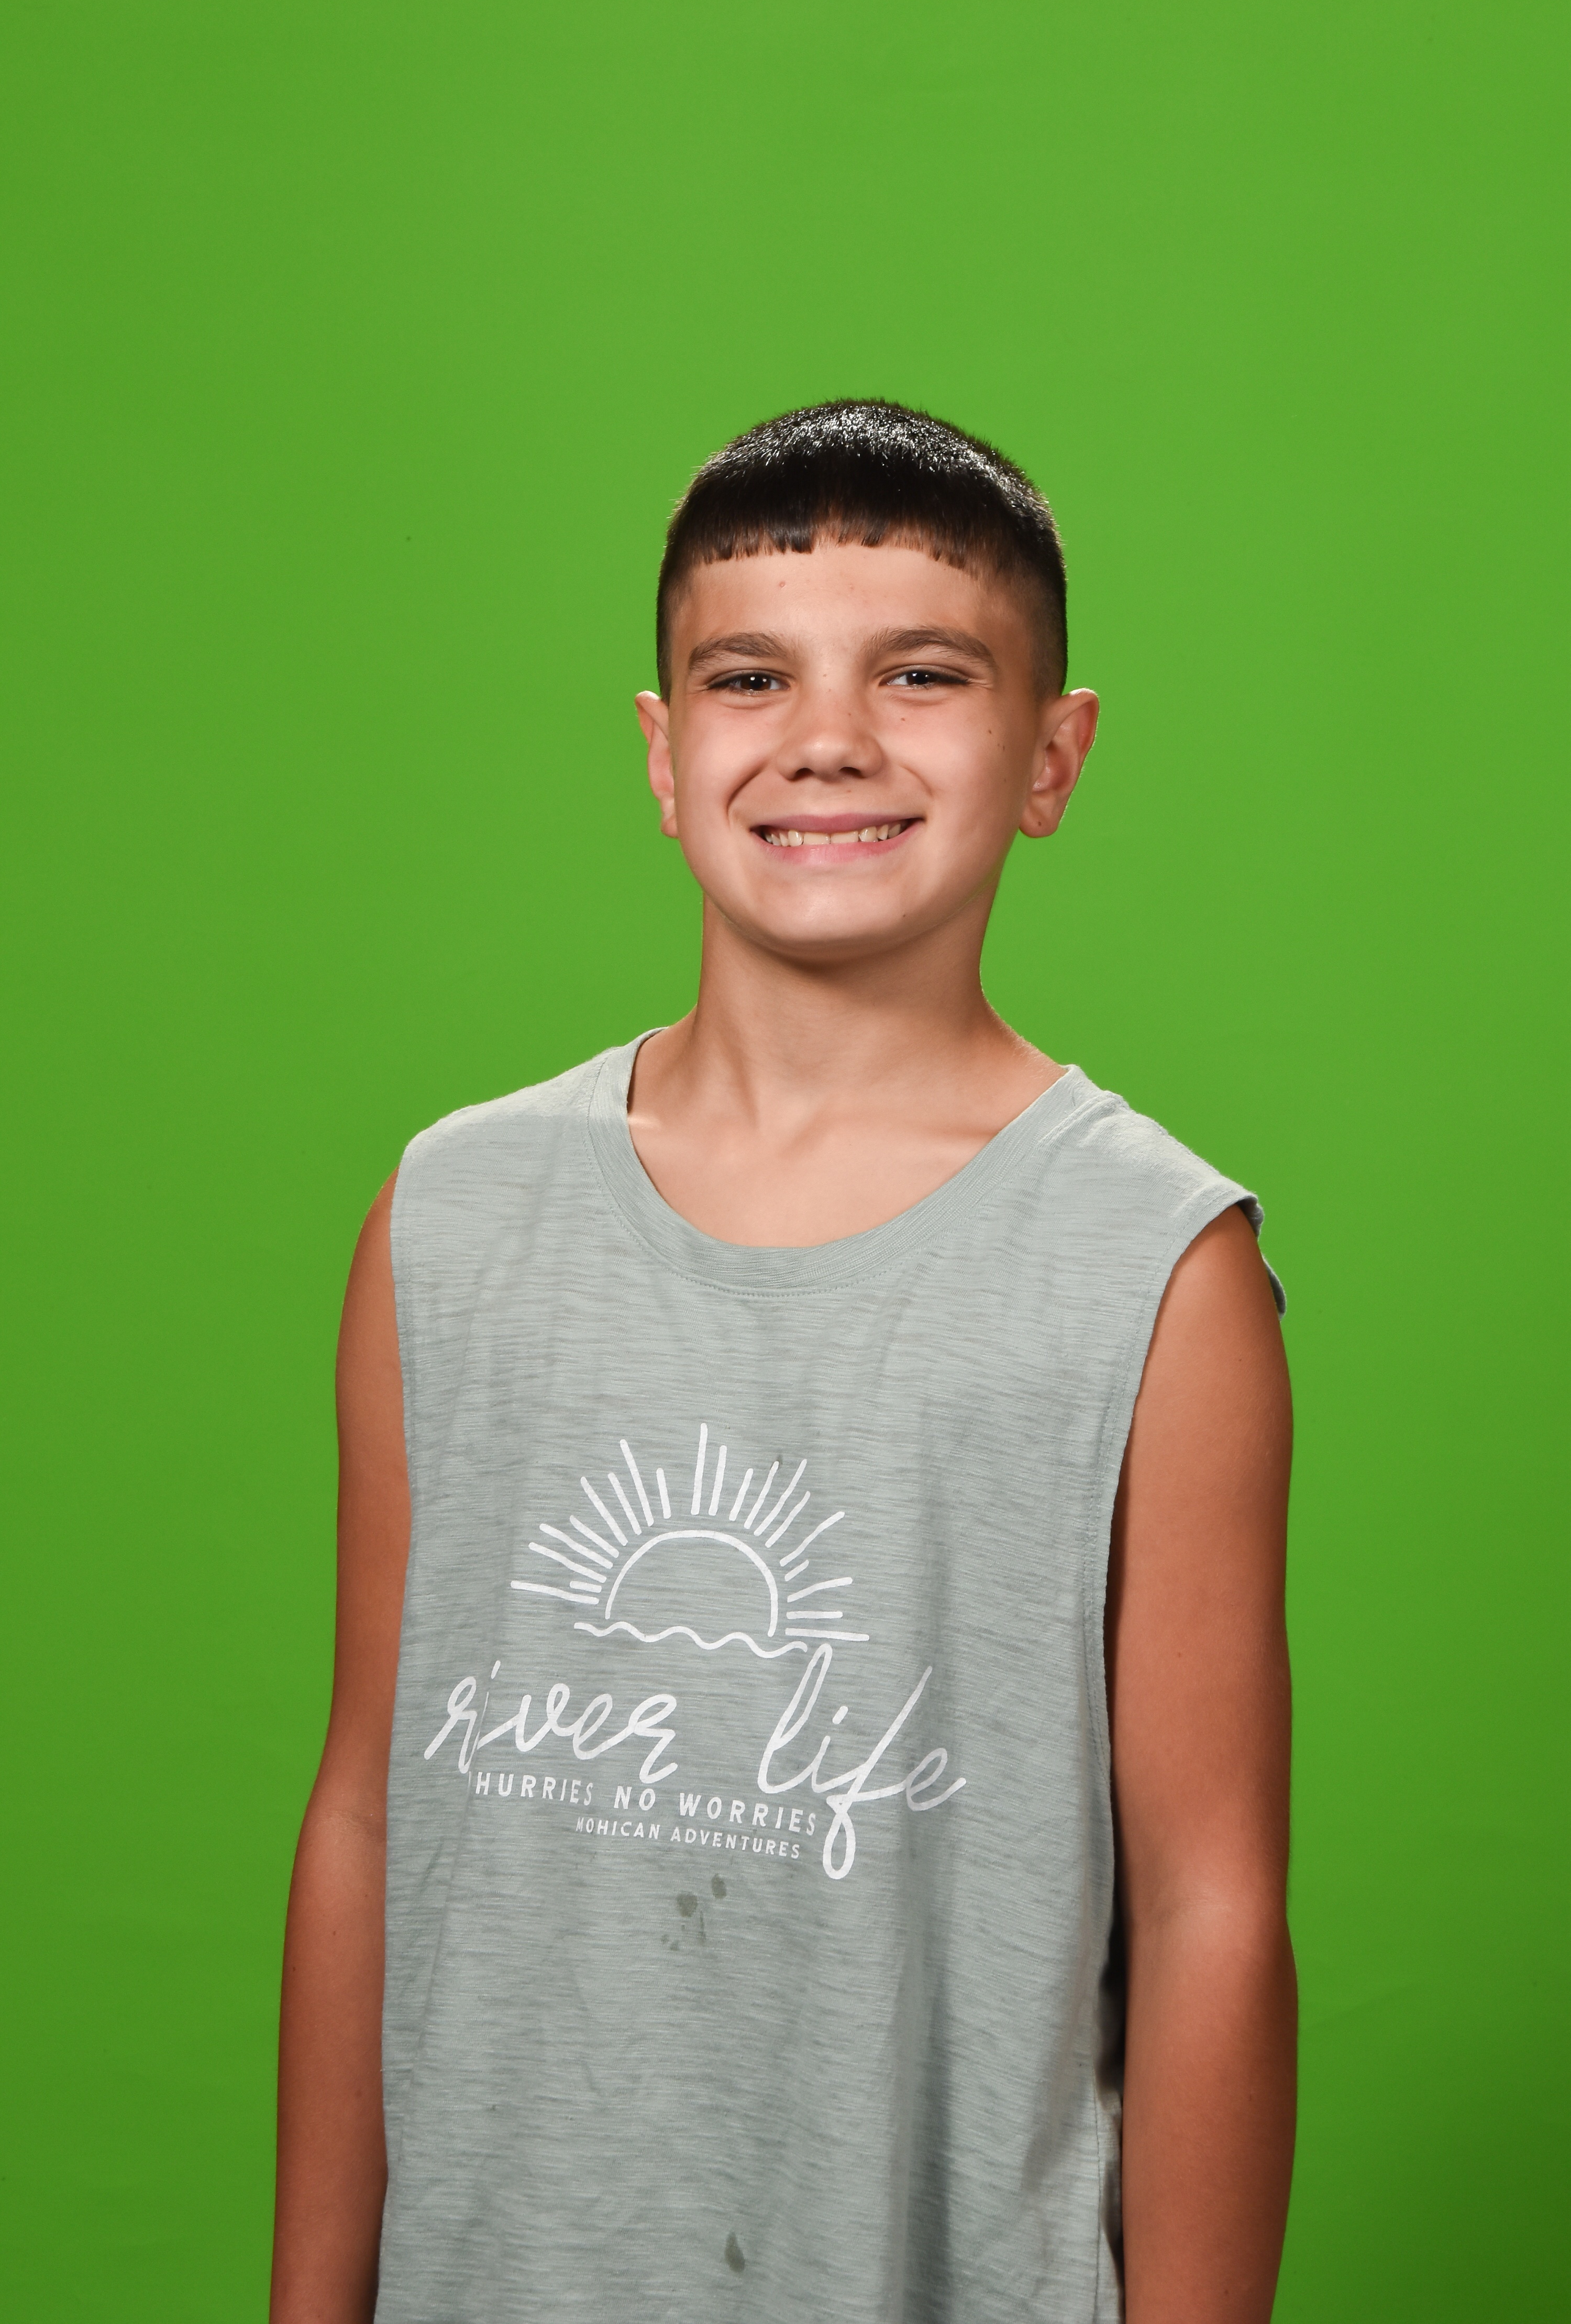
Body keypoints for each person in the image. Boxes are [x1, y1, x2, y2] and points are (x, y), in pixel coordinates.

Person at [271, 400, 1296, 2324]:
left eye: (923, 674)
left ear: (1054, 755)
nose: (828, 738)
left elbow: (1211, 1909)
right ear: (665, 756)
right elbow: (367, 1813)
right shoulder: (451, 1219)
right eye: (751, 678)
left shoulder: (1158, 1272)